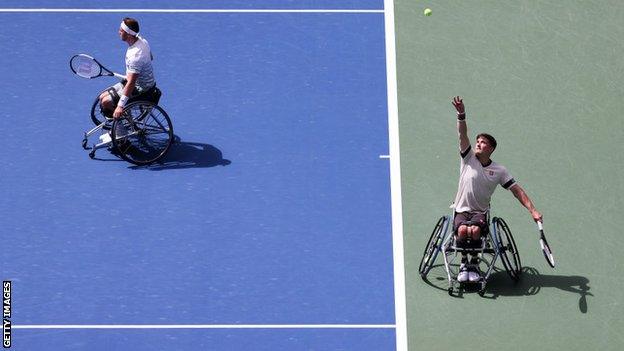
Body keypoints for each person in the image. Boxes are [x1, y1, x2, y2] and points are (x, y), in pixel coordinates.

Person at [450, 96, 542, 283]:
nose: (478, 144)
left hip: (479, 213)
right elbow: (462, 135)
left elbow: (517, 190)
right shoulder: (468, 158)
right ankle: (463, 264)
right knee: (461, 232)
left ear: (490, 149)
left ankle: (474, 265)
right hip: (460, 209)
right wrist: (461, 114)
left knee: (474, 231)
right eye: (477, 141)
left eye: (482, 142)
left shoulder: (499, 170)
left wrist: (533, 210)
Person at [99, 17, 157, 119]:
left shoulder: (135, 56)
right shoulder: (142, 41)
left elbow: (131, 83)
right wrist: (135, 74)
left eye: (121, 31)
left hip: (142, 90)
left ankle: (121, 131)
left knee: (106, 102)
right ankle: (123, 119)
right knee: (102, 96)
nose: (118, 32)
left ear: (129, 34)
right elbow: (151, 57)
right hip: (139, 83)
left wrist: (120, 106)